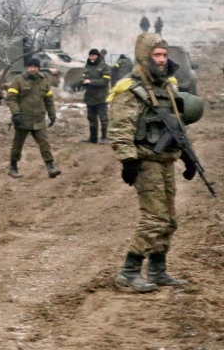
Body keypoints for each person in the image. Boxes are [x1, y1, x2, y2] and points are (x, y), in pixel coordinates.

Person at [107, 32, 196, 292]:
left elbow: (176, 125)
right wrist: (127, 160)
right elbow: (121, 128)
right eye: (157, 55)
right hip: (145, 160)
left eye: (165, 55)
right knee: (154, 218)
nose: (161, 59)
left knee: (169, 219)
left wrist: (187, 155)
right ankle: (129, 272)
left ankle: (157, 270)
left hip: (166, 160)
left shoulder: (168, 85)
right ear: (144, 56)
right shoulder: (130, 88)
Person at [5, 58, 61, 179]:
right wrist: (16, 113)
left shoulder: (44, 81)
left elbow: (49, 100)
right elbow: (11, 98)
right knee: (17, 145)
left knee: (44, 143)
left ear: (38, 68)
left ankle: (51, 167)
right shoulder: (18, 81)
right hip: (22, 119)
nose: (33, 69)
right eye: (30, 67)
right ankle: (13, 167)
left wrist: (52, 115)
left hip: (39, 119)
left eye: (35, 67)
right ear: (27, 68)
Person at [80, 48, 111, 144]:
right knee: (91, 118)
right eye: (90, 56)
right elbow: (84, 77)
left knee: (103, 118)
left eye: (93, 55)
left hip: (101, 97)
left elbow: (105, 81)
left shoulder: (104, 67)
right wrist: (82, 82)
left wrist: (91, 82)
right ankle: (93, 138)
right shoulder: (87, 66)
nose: (91, 57)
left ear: (97, 56)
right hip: (90, 96)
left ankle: (104, 137)